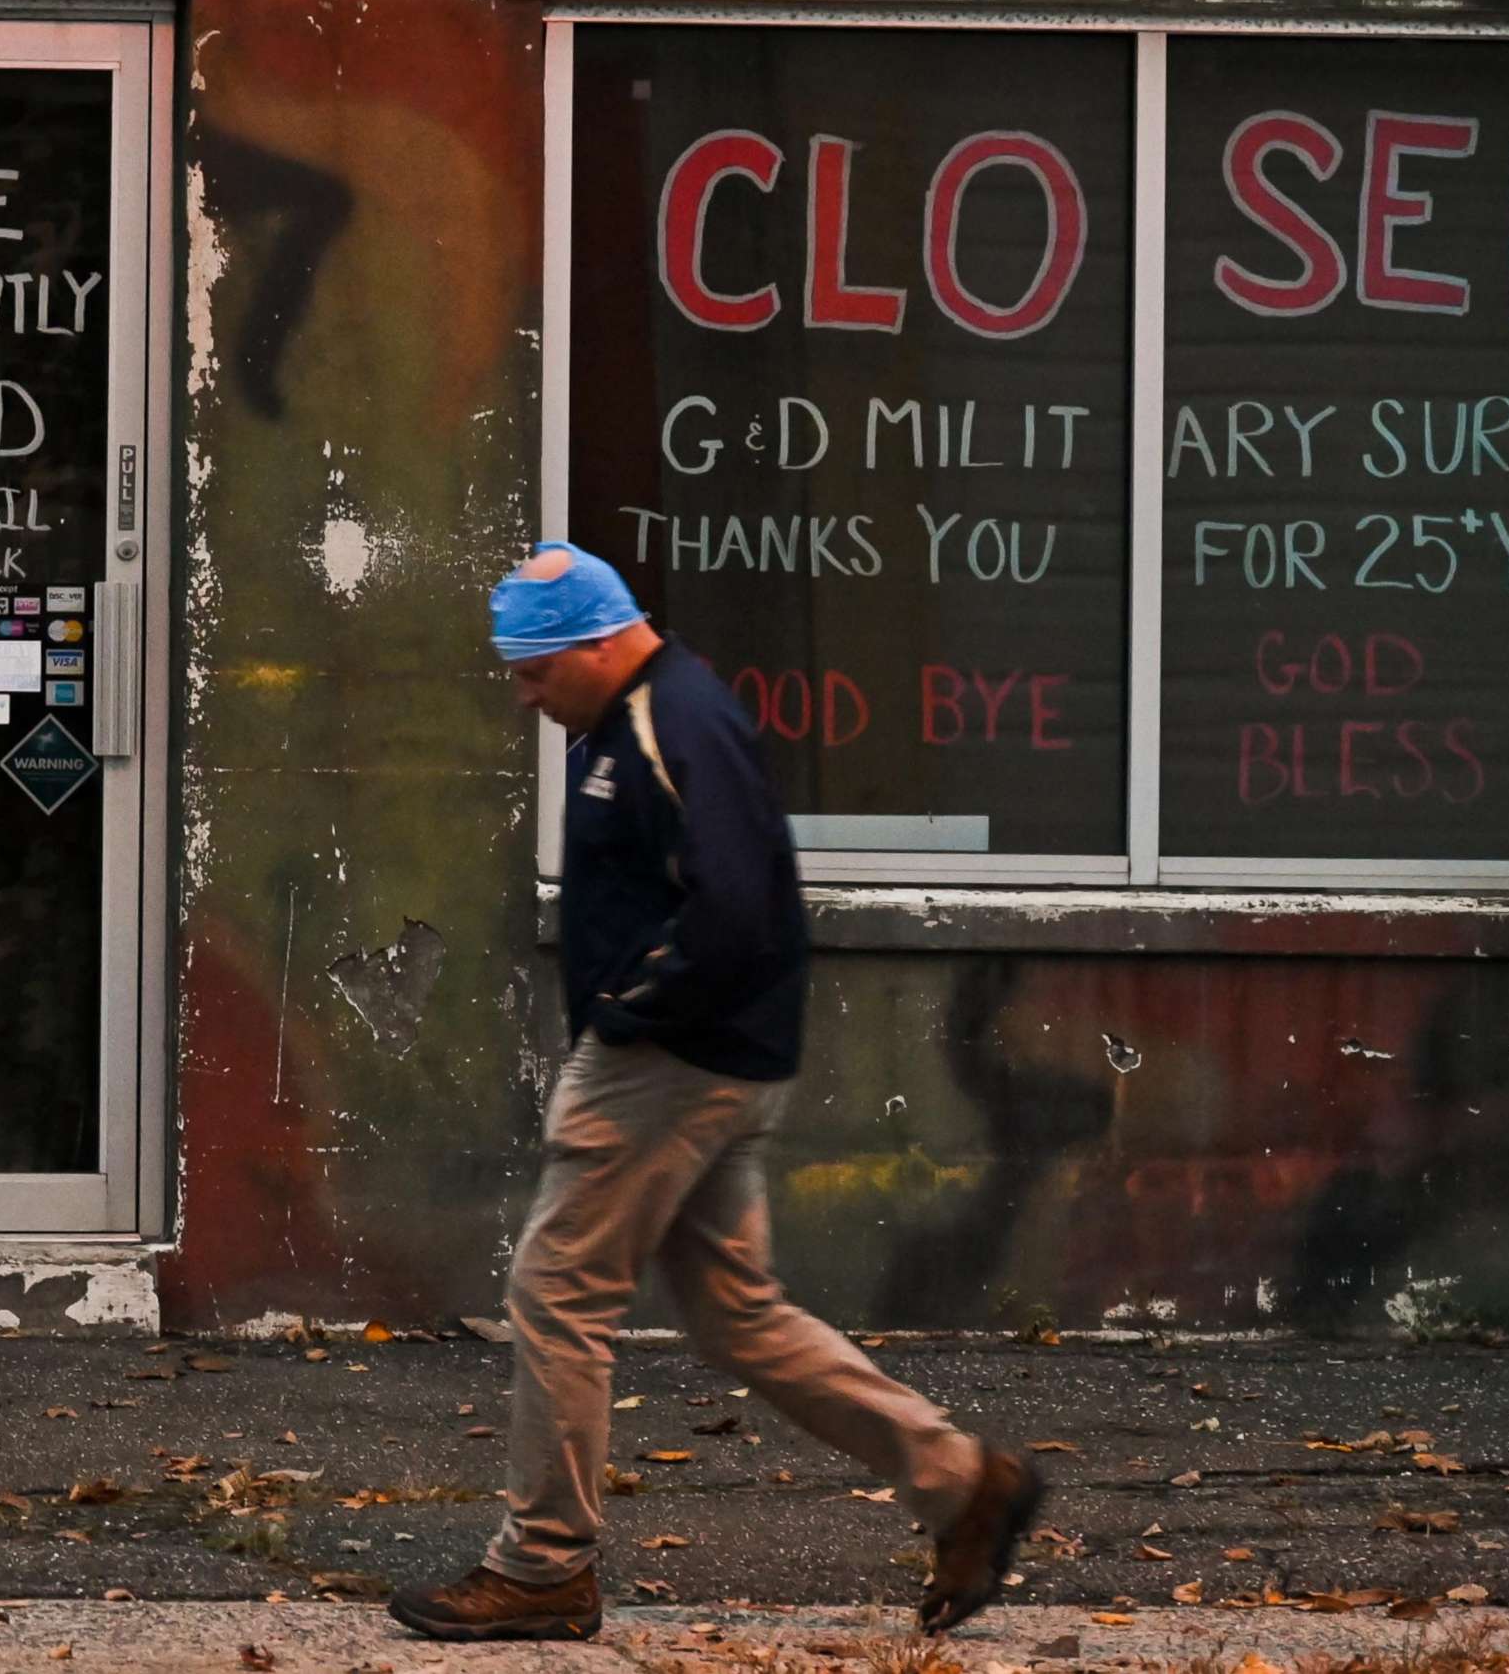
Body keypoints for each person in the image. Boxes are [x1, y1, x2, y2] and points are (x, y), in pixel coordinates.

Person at [386, 543, 1044, 1645]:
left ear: (598, 643)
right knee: (741, 1317)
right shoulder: (643, 717)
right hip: (708, 1059)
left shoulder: (670, 723)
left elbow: (736, 914)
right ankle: (961, 1478)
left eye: (537, 669)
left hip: (667, 1069)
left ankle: (544, 1566)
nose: (524, 691)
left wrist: (631, 1012)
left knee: (557, 1295)